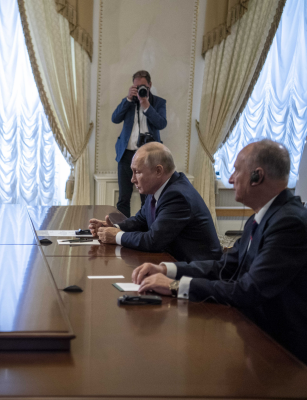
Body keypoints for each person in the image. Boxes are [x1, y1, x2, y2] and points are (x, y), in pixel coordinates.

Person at [131, 140, 307, 364]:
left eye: (235, 171)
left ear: (257, 176)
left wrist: (177, 286)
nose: (231, 179)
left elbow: (248, 289)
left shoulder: (289, 223)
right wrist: (167, 269)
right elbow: (223, 266)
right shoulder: (259, 217)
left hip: (281, 347)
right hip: (252, 328)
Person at [89, 142, 221, 263]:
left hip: (198, 273)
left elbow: (153, 241)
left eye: (137, 172)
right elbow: (140, 220)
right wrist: (114, 227)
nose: (132, 179)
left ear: (158, 171)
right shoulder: (160, 188)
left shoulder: (177, 195)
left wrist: (117, 236)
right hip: (173, 262)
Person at [112, 70, 167, 217]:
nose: (140, 89)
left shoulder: (159, 102)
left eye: (143, 86)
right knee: (123, 198)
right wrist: (129, 99)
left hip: (148, 158)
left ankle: (147, 233)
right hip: (126, 155)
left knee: (148, 198)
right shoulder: (129, 102)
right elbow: (115, 118)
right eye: (136, 87)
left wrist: (146, 105)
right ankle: (121, 233)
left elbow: (161, 123)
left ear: (150, 85)